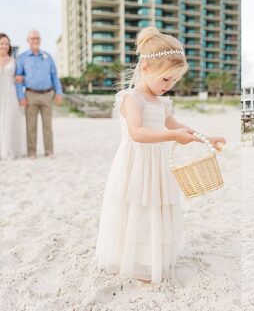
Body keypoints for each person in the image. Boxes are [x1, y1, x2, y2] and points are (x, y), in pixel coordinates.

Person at [94, 27, 226, 283]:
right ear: (145, 68)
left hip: (156, 165)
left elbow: (178, 128)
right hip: (135, 163)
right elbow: (137, 132)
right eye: (165, 79)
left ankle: (149, 258)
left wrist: (205, 139)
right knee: (135, 208)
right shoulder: (132, 98)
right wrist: (173, 137)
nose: (169, 86)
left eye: (174, 81)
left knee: (154, 208)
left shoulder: (162, 103)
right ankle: (130, 259)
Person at [15, 29, 63, 158]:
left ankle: (49, 151)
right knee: (31, 126)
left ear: (40, 40)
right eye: (32, 38)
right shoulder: (22, 58)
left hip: (48, 94)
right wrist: (21, 97)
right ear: (28, 41)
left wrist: (59, 92)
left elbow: (54, 76)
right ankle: (32, 152)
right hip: (30, 95)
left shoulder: (48, 57)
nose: (35, 40)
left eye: (37, 38)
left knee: (48, 125)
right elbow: (18, 79)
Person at [0, 32, 27, 160]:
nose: (4, 46)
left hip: (11, 93)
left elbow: (21, 76)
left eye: (6, 43)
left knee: (10, 120)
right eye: (2, 43)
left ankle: (10, 149)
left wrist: (22, 78)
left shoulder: (14, 61)